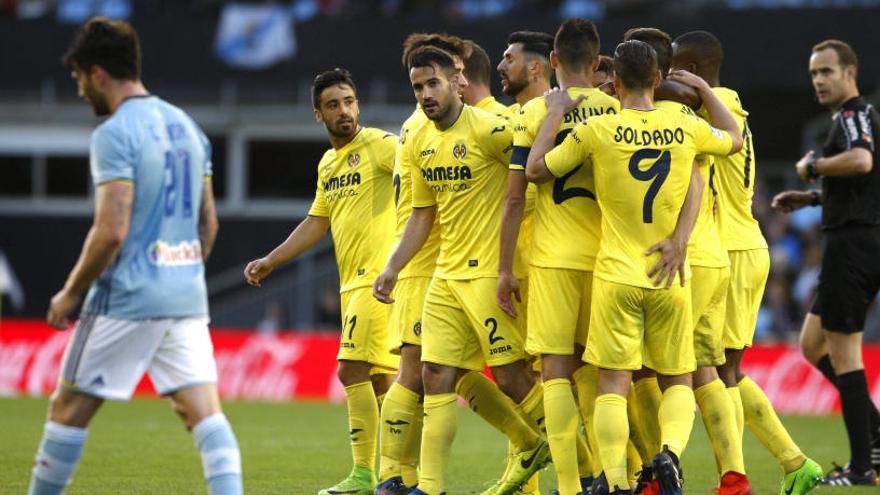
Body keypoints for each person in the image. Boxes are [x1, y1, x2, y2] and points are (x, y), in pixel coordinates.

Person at [31, 17, 241, 495]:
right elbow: (209, 223)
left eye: (79, 79)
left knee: (67, 411)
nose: (81, 90)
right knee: (206, 419)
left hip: (127, 296)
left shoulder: (114, 133)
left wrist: (70, 293)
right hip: (184, 295)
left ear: (97, 73)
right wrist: (182, 271)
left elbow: (110, 231)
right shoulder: (188, 128)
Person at [527, 40, 744, 494]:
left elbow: (536, 170)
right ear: (659, 80)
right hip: (669, 271)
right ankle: (670, 453)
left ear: (617, 82)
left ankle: (617, 480)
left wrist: (553, 114)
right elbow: (734, 139)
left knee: (613, 382)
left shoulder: (600, 130)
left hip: (616, 273)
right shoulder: (684, 124)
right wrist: (703, 90)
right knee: (678, 379)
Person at [373, 45, 551, 495]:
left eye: (433, 83)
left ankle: (584, 468)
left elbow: (535, 173)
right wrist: (393, 267)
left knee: (513, 379)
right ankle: (427, 487)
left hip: (491, 272)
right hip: (447, 274)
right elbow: (421, 214)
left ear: (457, 78)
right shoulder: (417, 139)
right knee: (435, 373)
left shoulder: (492, 128)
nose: (425, 94)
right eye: (418, 87)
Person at [672, 30, 824, 495]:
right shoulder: (719, 103)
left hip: (731, 250)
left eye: (673, 66)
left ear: (692, 72)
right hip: (738, 245)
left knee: (710, 372)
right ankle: (791, 463)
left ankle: (740, 477)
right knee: (723, 372)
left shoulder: (715, 102)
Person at [244, 68, 399, 495]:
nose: (344, 111)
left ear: (359, 105)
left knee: (350, 369)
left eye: (349, 101)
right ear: (319, 115)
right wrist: (272, 259)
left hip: (379, 279)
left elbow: (420, 165)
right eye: (333, 105)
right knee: (384, 383)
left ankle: (366, 475)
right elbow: (318, 221)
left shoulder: (382, 145)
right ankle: (402, 471)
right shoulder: (328, 163)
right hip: (352, 284)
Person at [625, 27, 751, 495]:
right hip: (714, 252)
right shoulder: (708, 109)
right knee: (707, 370)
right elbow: (731, 141)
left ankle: (660, 469)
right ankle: (734, 478)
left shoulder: (661, 114)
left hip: (680, 257)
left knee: (645, 370)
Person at [502, 18, 620, 495]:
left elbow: (514, 199)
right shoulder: (616, 110)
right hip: (606, 259)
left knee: (554, 375)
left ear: (552, 62)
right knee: (600, 375)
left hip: (552, 260)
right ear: (596, 63)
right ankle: (617, 481)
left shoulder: (533, 114)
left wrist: (504, 269)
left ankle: (571, 487)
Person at [772, 38, 880, 487]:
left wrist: (814, 169)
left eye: (827, 72)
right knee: (811, 344)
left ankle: (863, 465)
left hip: (852, 246)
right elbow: (865, 184)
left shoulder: (855, 115)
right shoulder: (852, 118)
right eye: (814, 73)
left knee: (845, 354)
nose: (818, 80)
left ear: (849, 73)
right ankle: (874, 436)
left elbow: (861, 161)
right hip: (853, 239)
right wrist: (814, 197)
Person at [497, 31, 555, 115]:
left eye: (509, 59)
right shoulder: (503, 117)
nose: (500, 67)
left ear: (534, 68)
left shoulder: (562, 114)